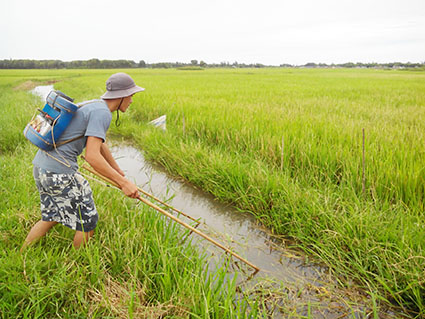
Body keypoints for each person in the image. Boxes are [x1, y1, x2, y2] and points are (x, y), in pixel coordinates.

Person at [21, 73, 143, 250]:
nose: (131, 100)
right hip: (60, 172)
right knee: (88, 221)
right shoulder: (103, 114)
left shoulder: (94, 105)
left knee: (52, 215)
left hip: (41, 168)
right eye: (131, 95)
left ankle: (22, 253)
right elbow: (92, 157)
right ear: (122, 95)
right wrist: (124, 183)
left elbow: (100, 143)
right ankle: (79, 267)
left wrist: (117, 172)